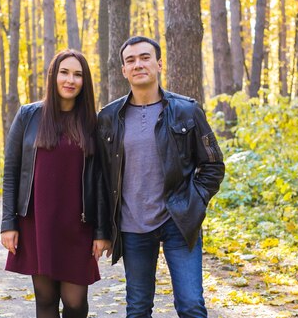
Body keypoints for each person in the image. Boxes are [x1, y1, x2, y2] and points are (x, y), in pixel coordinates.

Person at [95, 36, 225, 318]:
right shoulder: (108, 117)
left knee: (191, 305)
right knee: (138, 308)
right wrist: (102, 229)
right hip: (131, 226)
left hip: (178, 221)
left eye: (144, 57)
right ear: (123, 70)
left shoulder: (187, 110)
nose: (138, 64)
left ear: (159, 64)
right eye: (130, 60)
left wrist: (194, 200)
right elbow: (100, 178)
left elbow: (213, 164)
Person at [1, 49, 111, 318]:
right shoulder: (29, 116)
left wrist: (101, 230)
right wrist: (8, 224)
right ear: (53, 75)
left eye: (78, 74)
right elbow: (12, 171)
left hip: (78, 225)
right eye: (64, 72)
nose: (70, 80)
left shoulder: (93, 123)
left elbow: (100, 181)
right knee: (46, 300)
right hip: (37, 222)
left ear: (85, 82)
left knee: (75, 303)